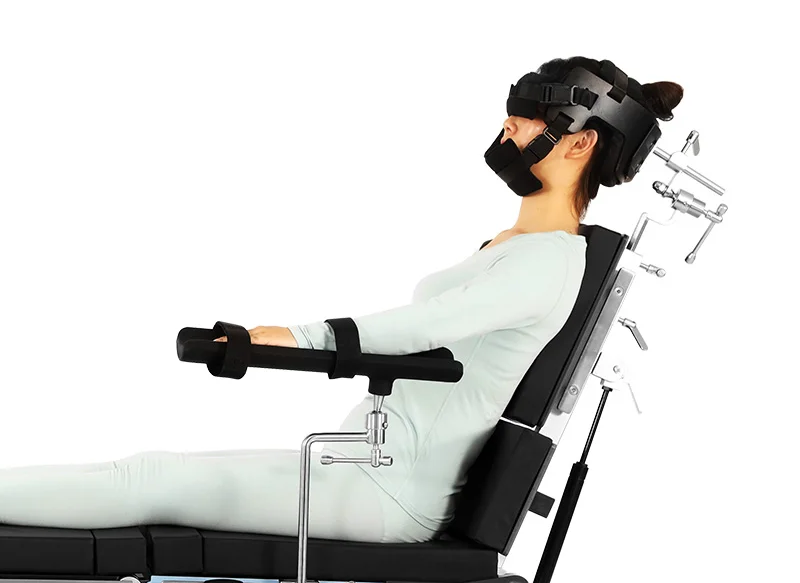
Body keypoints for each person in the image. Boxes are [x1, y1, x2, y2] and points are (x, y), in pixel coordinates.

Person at [0, 57, 683, 543]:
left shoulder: (548, 262)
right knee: (148, 471)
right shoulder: (509, 246)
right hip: (354, 463)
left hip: (390, 493)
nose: (507, 133)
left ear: (580, 142)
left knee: (150, 482)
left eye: (523, 125)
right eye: (508, 120)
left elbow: (426, 327)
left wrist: (293, 339)